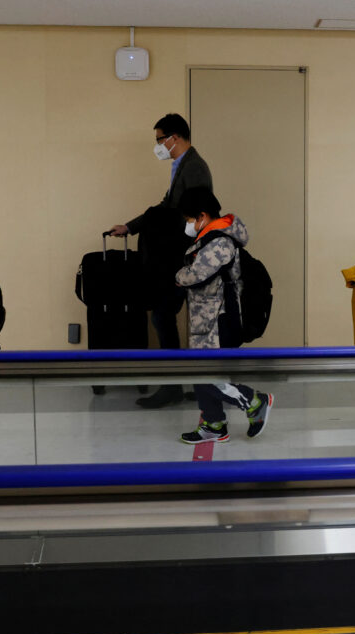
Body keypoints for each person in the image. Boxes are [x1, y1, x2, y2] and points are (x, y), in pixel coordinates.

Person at [109, 113, 213, 409]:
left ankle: (176, 387)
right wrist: (131, 226)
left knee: (164, 316)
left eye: (159, 140)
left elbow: (193, 212)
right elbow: (167, 207)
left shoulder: (194, 167)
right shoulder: (182, 165)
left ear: (174, 138)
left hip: (181, 256)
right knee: (166, 316)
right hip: (175, 256)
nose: (158, 146)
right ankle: (184, 385)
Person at [173, 187, 272, 444]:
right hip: (207, 319)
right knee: (201, 373)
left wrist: (178, 277)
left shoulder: (220, 242)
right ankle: (213, 424)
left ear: (202, 216)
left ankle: (253, 401)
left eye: (189, 220)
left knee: (205, 375)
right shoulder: (209, 239)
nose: (189, 225)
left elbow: (194, 274)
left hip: (220, 319)